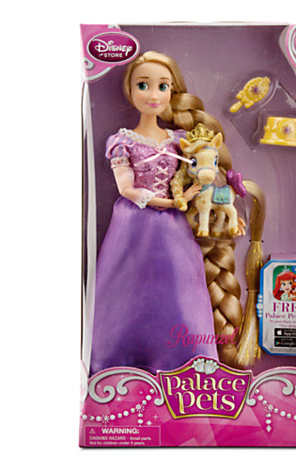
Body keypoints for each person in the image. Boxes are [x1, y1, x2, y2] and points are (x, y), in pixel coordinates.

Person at [89, 51, 219, 376]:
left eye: (163, 86)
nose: (153, 94)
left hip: (173, 228)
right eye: (143, 85)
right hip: (134, 223)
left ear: (172, 91)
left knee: (179, 287)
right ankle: (116, 358)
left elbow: (200, 175)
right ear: (130, 89)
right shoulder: (122, 141)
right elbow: (126, 189)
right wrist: (169, 203)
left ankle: (184, 359)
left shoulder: (180, 141)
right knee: (127, 288)